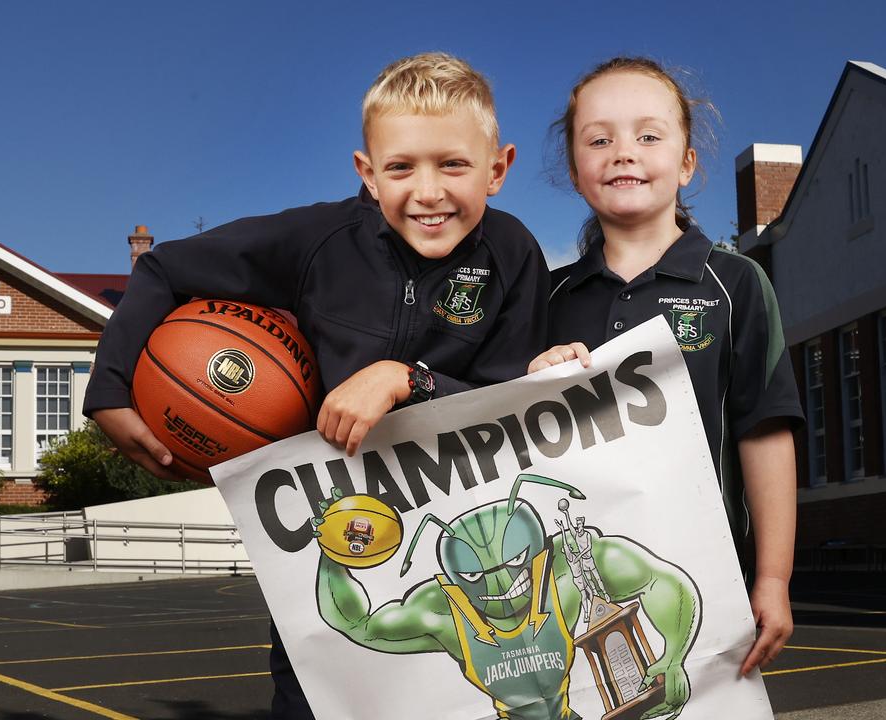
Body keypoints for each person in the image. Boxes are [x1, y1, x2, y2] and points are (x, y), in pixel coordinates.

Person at [83, 53, 550, 720]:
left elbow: (512, 405)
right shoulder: (316, 241)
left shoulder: (513, 254)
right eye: (400, 167)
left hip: (462, 546)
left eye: (453, 165)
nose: (427, 191)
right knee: (313, 704)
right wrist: (110, 385)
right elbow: (164, 268)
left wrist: (406, 381)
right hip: (325, 543)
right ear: (366, 172)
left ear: (497, 169)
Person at [529, 57, 804, 675]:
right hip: (573, 580)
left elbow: (766, 431)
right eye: (599, 139)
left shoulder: (734, 283)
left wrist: (774, 576)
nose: (623, 152)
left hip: (706, 571)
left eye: (648, 135)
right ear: (576, 171)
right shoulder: (546, 298)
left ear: (687, 163)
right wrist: (530, 379)